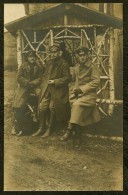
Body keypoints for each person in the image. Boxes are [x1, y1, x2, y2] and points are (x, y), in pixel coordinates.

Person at [61, 46, 101, 144]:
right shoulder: (76, 66)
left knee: (76, 106)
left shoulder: (92, 66)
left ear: (88, 55)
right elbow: (73, 81)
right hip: (77, 95)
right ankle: (78, 137)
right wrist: (72, 92)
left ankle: (69, 130)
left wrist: (82, 89)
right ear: (78, 56)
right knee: (74, 105)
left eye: (84, 55)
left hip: (89, 95)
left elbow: (96, 81)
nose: (82, 57)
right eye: (80, 55)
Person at [32, 42, 71, 137]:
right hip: (47, 88)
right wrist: (42, 85)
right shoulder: (49, 62)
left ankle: (49, 129)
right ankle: (41, 128)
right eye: (51, 52)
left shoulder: (64, 64)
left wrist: (55, 81)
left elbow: (67, 78)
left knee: (52, 107)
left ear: (59, 53)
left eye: (55, 52)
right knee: (42, 106)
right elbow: (45, 75)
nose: (53, 54)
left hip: (59, 90)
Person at [12, 50, 43, 136]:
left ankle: (37, 115)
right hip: (25, 87)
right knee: (19, 102)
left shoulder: (38, 66)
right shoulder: (23, 66)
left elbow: (41, 78)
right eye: (30, 56)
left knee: (41, 95)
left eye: (33, 56)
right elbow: (18, 77)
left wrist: (33, 83)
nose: (32, 58)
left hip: (34, 86)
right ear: (27, 58)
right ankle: (17, 123)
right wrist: (27, 83)